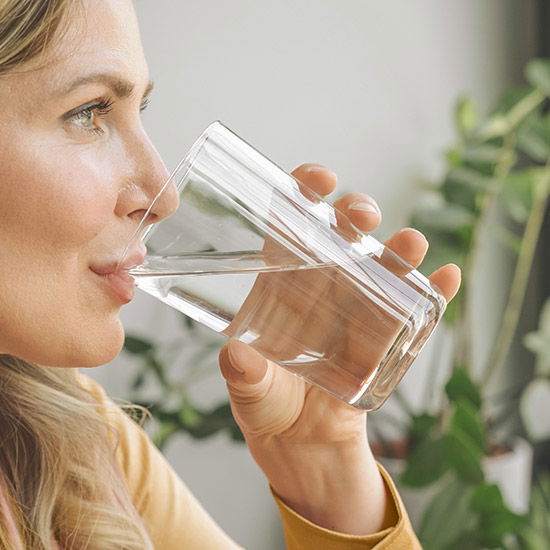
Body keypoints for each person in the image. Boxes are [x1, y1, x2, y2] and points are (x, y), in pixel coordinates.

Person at [0, 0, 461, 548]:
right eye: (89, 112)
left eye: (137, 112)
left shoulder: (72, 447)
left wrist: (323, 465)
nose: (163, 195)